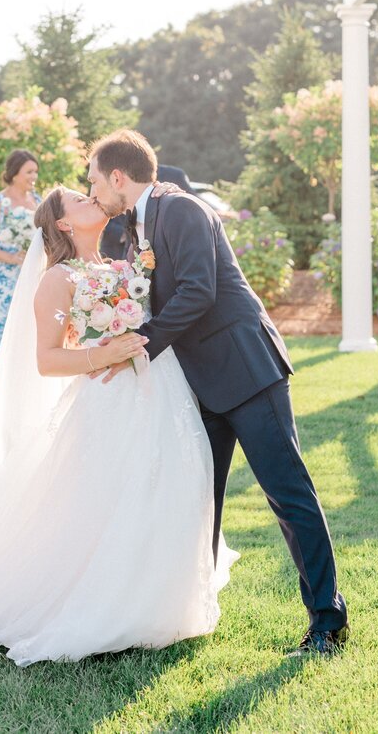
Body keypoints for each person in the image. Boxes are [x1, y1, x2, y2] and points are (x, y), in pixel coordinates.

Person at [0, 186, 237, 664]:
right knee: (104, 497)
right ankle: (105, 596)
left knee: (166, 484)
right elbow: (47, 360)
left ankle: (158, 592)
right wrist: (102, 353)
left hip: (161, 395)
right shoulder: (57, 279)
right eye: (80, 200)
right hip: (106, 399)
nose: (93, 200)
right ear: (64, 224)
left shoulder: (124, 265)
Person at [88, 128, 349, 657]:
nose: (92, 192)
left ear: (119, 176)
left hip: (246, 371)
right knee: (198, 498)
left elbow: (199, 292)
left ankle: (328, 620)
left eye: (94, 181)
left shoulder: (180, 210)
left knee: (287, 493)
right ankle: (190, 610)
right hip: (199, 384)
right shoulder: (137, 224)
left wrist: (139, 346)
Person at [0, 149, 40, 385]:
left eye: (35, 172)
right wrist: (12, 258)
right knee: (2, 332)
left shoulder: (38, 201)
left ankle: (25, 385)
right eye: (29, 172)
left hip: (32, 276)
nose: (34, 176)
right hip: (2, 280)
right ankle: (1, 385)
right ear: (14, 174)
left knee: (29, 330)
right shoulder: (0, 202)